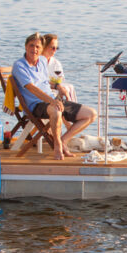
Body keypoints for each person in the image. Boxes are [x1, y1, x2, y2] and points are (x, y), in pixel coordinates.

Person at [11, 32, 96, 160]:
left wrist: (57, 87)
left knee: (91, 114)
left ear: (41, 49)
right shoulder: (19, 65)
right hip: (36, 105)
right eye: (31, 46)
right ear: (25, 47)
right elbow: (31, 88)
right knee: (56, 111)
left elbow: (44, 82)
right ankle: (57, 146)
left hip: (52, 100)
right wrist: (52, 101)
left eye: (38, 47)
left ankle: (63, 140)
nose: (34, 49)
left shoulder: (42, 62)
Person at [41, 33, 78, 105]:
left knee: (69, 87)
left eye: (56, 48)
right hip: (42, 93)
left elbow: (61, 79)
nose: (55, 50)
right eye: (52, 48)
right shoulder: (36, 62)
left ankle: (71, 111)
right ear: (44, 47)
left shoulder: (56, 63)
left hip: (55, 91)